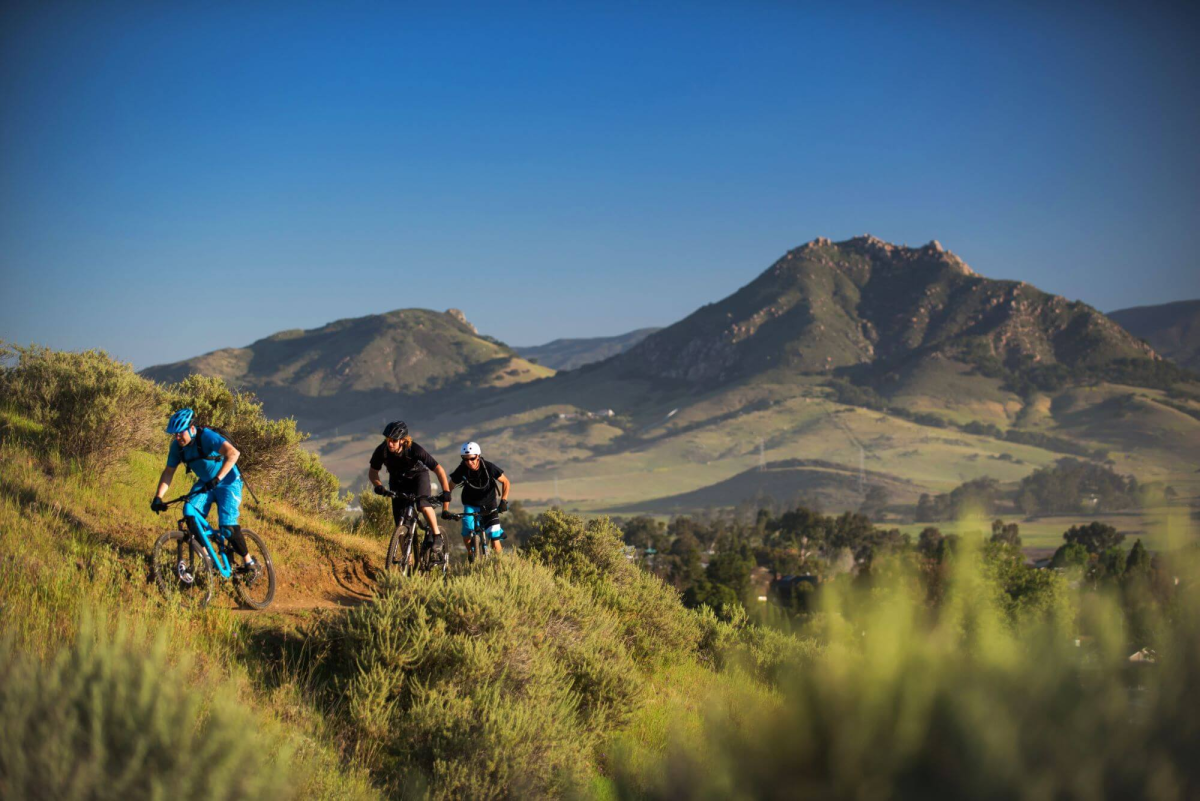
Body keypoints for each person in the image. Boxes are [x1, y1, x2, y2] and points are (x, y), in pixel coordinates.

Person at [150, 408, 255, 570]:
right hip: (207, 483)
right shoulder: (177, 447)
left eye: (180, 433)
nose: (177, 437)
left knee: (228, 527)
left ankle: (250, 563)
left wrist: (218, 478)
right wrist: (158, 497)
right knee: (190, 513)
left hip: (228, 481)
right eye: (175, 434)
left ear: (192, 429)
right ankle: (209, 560)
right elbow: (168, 472)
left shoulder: (206, 436)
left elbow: (234, 454)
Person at [368, 420, 452, 558]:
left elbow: (439, 469)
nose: (390, 443)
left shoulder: (414, 449)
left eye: (394, 441)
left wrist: (446, 491)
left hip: (418, 477)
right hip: (397, 480)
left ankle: (436, 535)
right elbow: (373, 472)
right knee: (399, 521)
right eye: (388, 439)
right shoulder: (381, 450)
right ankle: (407, 560)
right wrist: (378, 486)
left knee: (423, 505)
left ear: (402, 440)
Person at [445, 440, 511, 561]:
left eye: (472, 458)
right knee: (466, 531)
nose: (469, 462)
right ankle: (471, 553)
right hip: (471, 504)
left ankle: (501, 566)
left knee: (495, 540)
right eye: (465, 459)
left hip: (489, 504)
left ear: (478, 456)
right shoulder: (462, 469)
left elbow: (506, 482)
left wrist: (504, 501)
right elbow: (448, 489)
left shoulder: (489, 467)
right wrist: (445, 509)